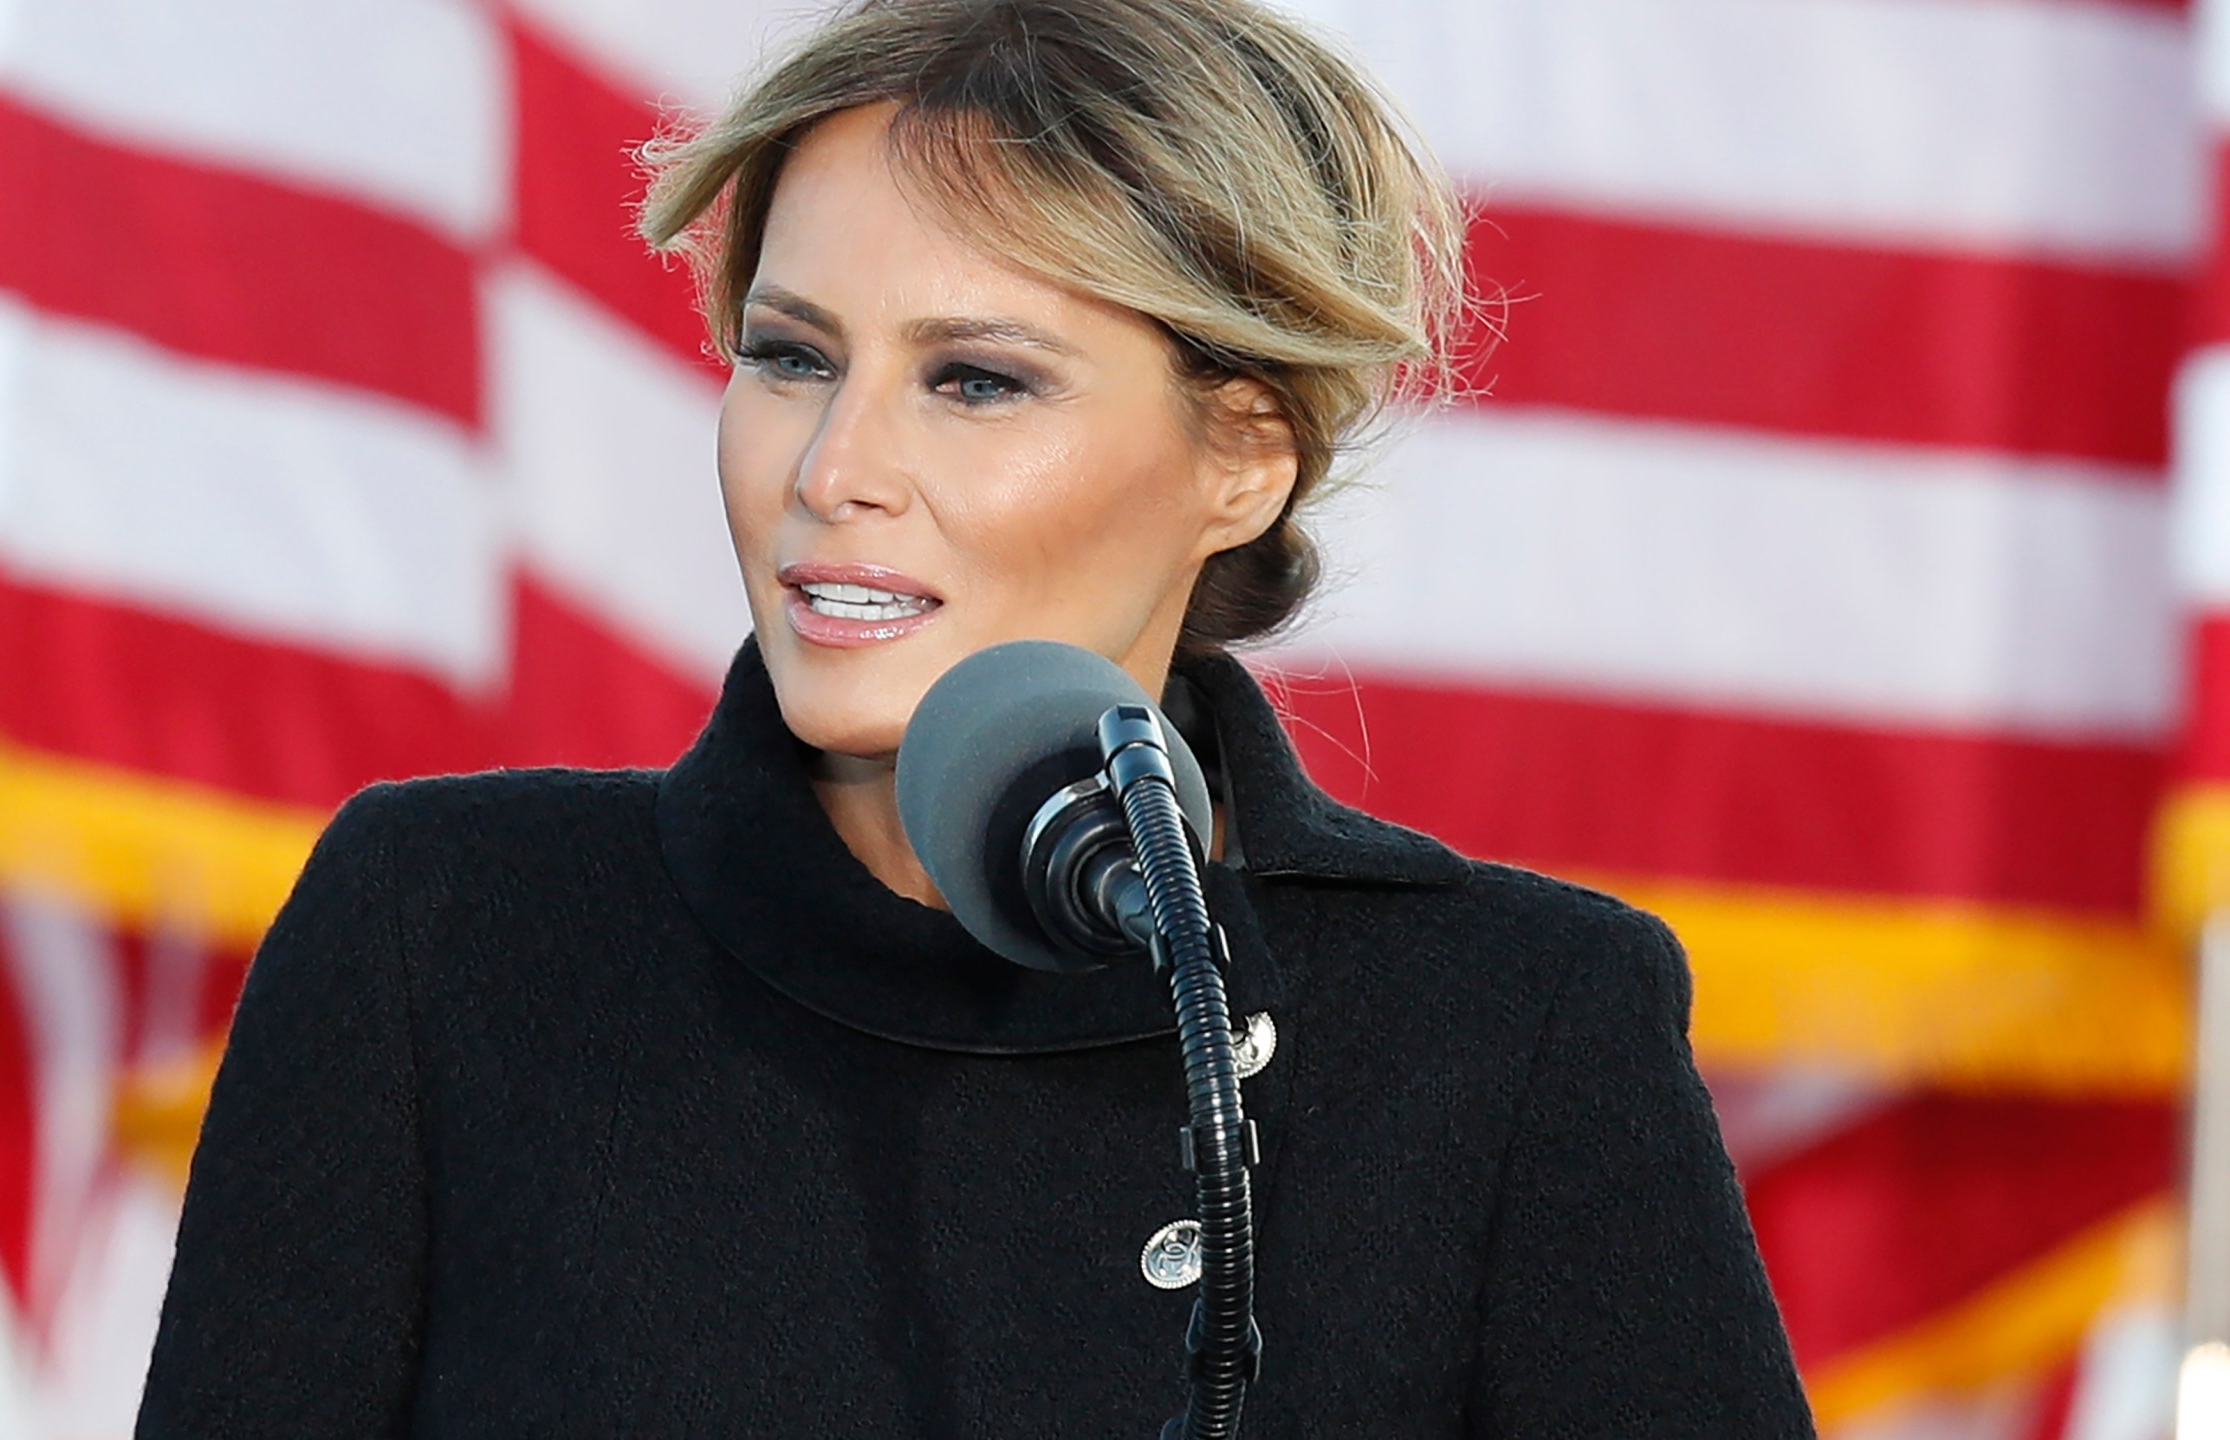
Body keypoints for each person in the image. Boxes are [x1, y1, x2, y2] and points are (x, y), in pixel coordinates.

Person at [134, 0, 1815, 1434]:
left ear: (1240, 455)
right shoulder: (442, 933)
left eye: (975, 379)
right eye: (792, 356)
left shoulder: (1514, 1032)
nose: (832, 471)